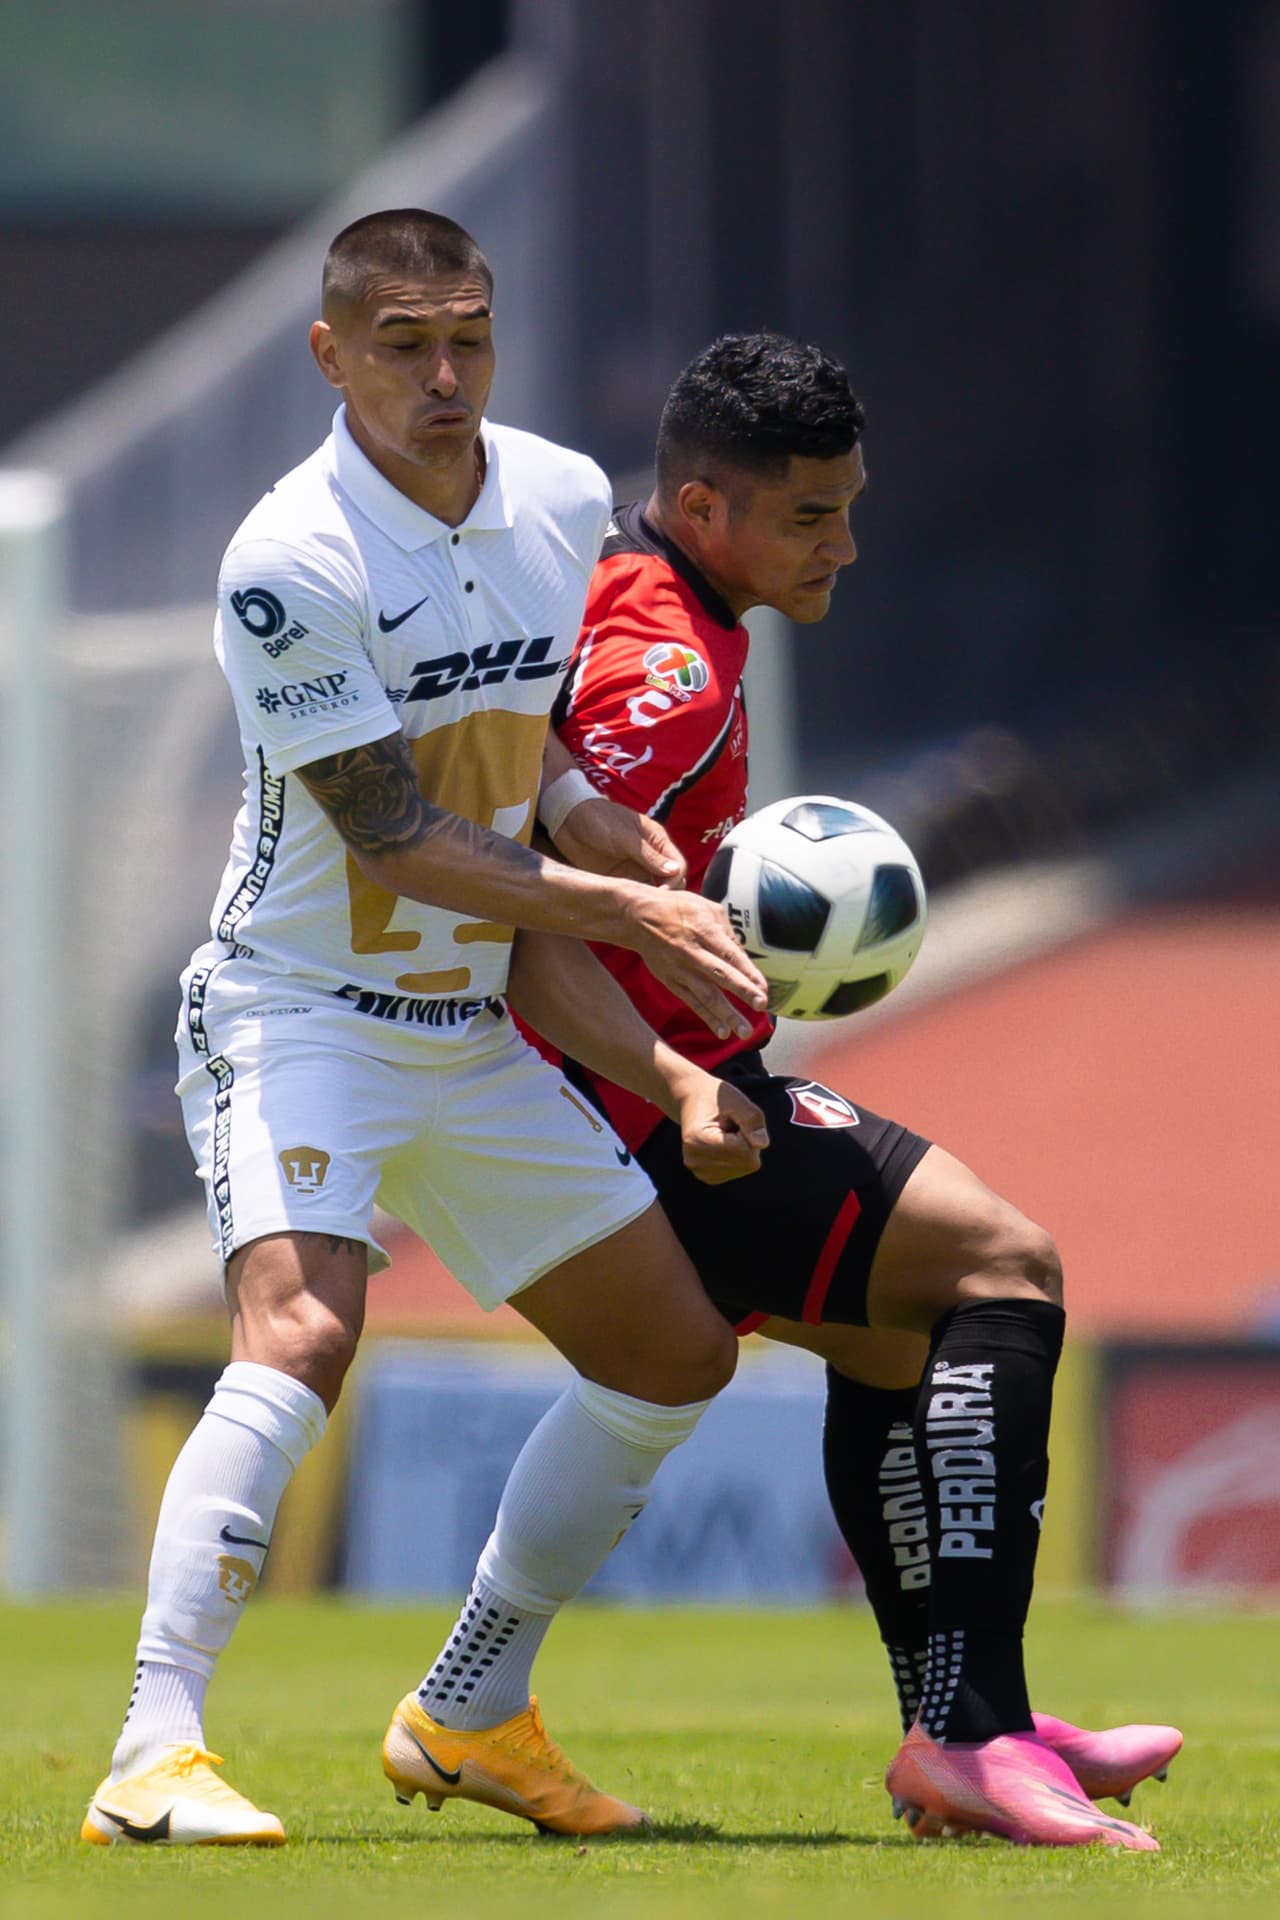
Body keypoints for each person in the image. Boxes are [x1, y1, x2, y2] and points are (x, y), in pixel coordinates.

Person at [82, 209, 776, 1848]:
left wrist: (601, 834)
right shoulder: (288, 561)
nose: (445, 373)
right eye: (405, 344)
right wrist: (635, 915)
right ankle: (151, 1751)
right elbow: (396, 836)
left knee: (672, 1354)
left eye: (468, 335)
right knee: (305, 1337)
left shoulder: (552, 498)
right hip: (297, 1012)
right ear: (332, 355)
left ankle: (471, 1707)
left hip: (471, 1015)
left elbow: (510, 754)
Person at [518, 332, 1180, 1849]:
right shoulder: (663, 672)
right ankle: (972, 1724)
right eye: (812, 514)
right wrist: (682, 1074)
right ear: (702, 508)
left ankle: (976, 1722)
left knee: (898, 1346)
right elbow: (513, 918)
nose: (847, 543)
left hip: (661, 1093)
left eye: (851, 504)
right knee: (1005, 1266)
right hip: (643, 1119)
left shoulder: (657, 598)